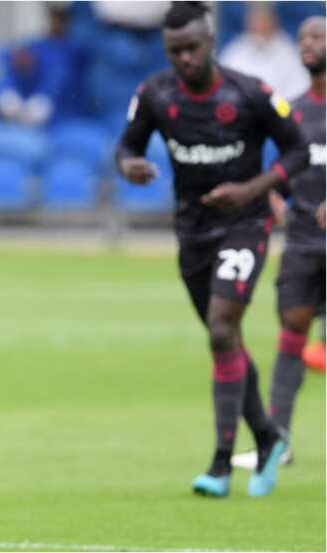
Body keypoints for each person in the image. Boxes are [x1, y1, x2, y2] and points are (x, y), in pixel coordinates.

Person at [115, 2, 309, 498]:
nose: (183, 58)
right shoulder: (155, 94)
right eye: (174, 51)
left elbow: (297, 150)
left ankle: (221, 463)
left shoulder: (249, 92)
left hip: (245, 224)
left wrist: (252, 190)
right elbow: (126, 147)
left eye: (191, 48)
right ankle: (266, 436)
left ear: (210, 43)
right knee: (226, 340)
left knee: (223, 328)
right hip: (193, 232)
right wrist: (131, 165)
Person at [232, 15, 326, 471]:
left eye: (318, 37)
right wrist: (273, 194)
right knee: (292, 332)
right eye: (305, 36)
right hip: (305, 243)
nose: (308, 44)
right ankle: (279, 442)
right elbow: (285, 169)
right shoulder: (292, 111)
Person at [219, 2, 310, 101]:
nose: (260, 26)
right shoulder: (235, 50)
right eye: (256, 22)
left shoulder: (289, 51)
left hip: (280, 108)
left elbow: (300, 89)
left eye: (264, 22)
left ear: (274, 22)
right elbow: (223, 86)